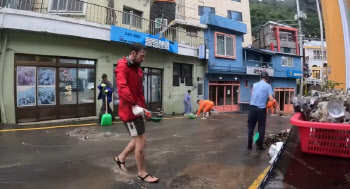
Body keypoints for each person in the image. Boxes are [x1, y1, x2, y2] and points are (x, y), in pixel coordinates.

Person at [114, 43, 159, 183]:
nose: (143, 59)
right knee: (140, 140)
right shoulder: (122, 67)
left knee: (137, 139)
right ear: (133, 53)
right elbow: (122, 88)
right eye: (141, 56)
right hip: (128, 111)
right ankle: (142, 173)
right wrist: (133, 105)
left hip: (136, 109)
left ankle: (120, 158)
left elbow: (139, 92)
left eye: (144, 56)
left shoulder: (138, 70)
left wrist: (143, 109)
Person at [247, 71, 274, 150]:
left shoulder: (255, 85)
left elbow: (253, 94)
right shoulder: (267, 86)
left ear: (260, 77)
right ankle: (259, 145)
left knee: (251, 128)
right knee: (261, 128)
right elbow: (271, 99)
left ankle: (249, 146)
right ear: (267, 78)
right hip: (261, 109)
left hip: (252, 108)